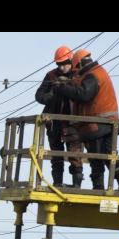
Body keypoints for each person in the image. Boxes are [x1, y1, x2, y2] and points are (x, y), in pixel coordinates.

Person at [56, 49, 119, 192]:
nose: (76, 72)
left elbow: (83, 95)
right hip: (108, 123)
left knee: (96, 157)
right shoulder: (99, 72)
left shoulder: (92, 75)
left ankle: (98, 188)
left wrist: (64, 88)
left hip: (97, 124)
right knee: (110, 155)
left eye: (76, 68)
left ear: (79, 64)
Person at [35, 46, 84, 188]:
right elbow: (39, 94)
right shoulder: (51, 76)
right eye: (59, 64)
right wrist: (47, 97)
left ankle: (76, 186)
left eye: (65, 64)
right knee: (56, 156)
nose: (62, 67)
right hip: (54, 124)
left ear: (71, 61)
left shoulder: (79, 75)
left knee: (75, 156)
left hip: (73, 124)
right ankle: (57, 184)